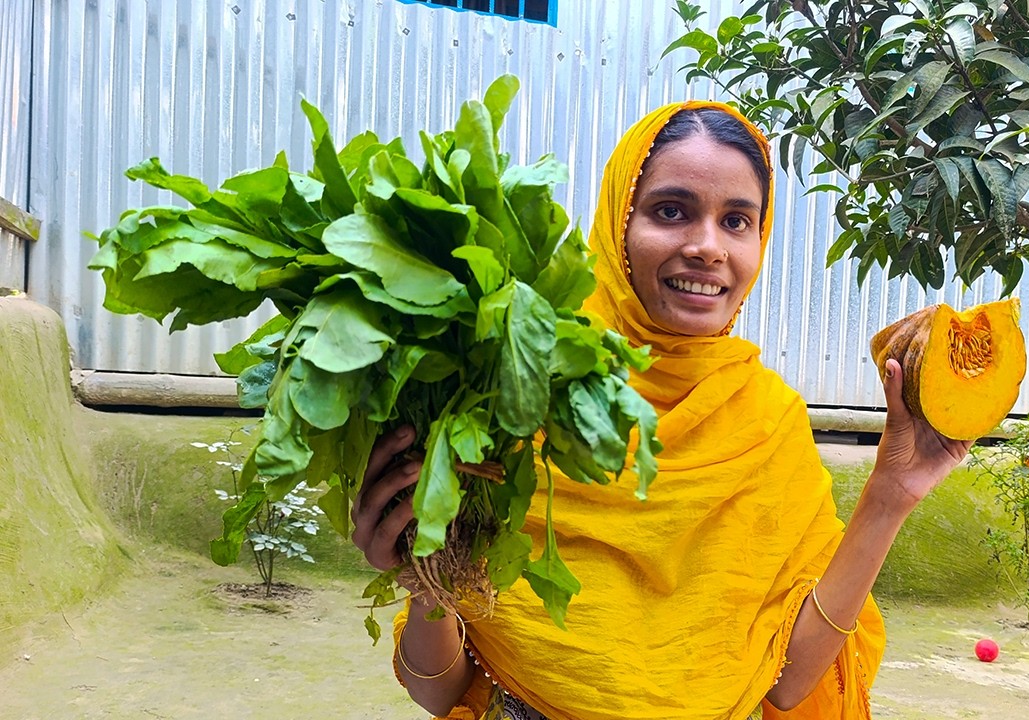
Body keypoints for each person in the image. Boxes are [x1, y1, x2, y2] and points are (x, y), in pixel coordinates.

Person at [351, 101, 970, 720]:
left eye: (736, 221)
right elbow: (438, 690)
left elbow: (787, 684)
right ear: (617, 223)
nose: (707, 247)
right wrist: (425, 574)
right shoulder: (512, 399)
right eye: (670, 211)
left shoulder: (768, 424)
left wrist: (891, 491)